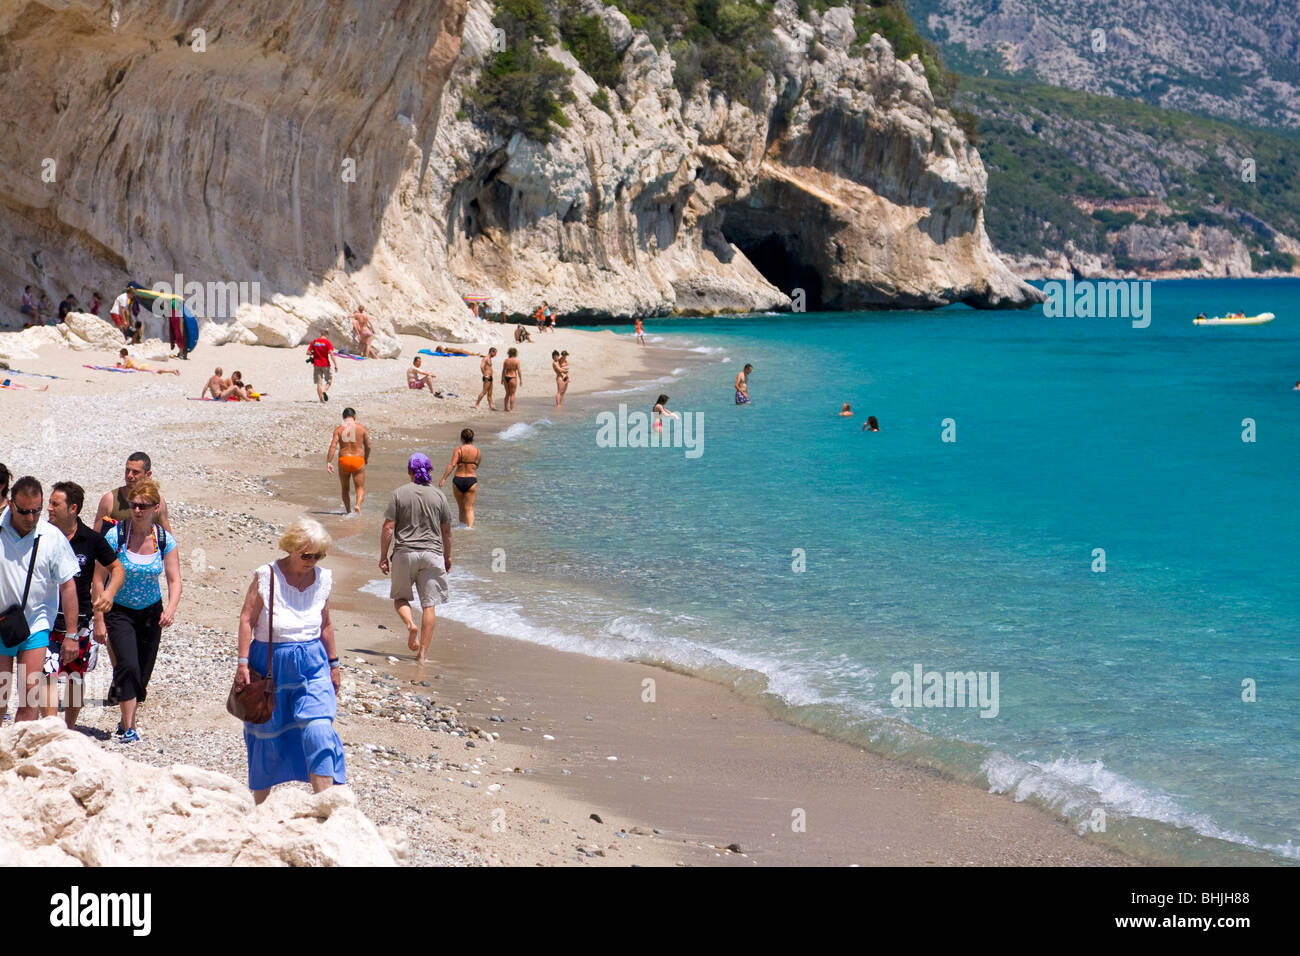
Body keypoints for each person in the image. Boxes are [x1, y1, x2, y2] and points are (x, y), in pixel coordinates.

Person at [234, 518, 345, 804]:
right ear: (291, 548)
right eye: (307, 555)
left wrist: (334, 665)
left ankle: (326, 807)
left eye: (318, 555)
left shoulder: (323, 579)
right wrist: (243, 664)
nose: (312, 561)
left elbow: (326, 625)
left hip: (312, 664)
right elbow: (247, 620)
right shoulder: (267, 576)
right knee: (267, 736)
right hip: (271, 665)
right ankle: (260, 809)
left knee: (319, 730)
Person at [100, 479, 181, 743]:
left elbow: (174, 579)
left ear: (155, 508)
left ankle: (125, 714)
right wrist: (99, 615)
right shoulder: (116, 536)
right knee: (129, 666)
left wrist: (170, 608)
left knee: (142, 675)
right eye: (134, 505)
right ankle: (129, 726)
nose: (137, 511)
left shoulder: (163, 539)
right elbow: (98, 577)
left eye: (143, 507)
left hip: (151, 613)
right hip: (119, 610)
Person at [39, 482, 124, 729]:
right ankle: (52, 731)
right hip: (46, 617)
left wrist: (109, 593)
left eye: (56, 504)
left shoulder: (91, 539)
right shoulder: (42, 534)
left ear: (73, 508)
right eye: (50, 503)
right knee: (48, 675)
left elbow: (117, 569)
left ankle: (70, 728)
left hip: (80, 621)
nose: (49, 508)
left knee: (75, 677)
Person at [0, 477, 80, 723]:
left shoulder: (52, 537)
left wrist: (71, 634)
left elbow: (68, 585)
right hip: (1, 624)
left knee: (30, 698)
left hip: (36, 625)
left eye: (37, 511)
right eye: (25, 511)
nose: (31, 518)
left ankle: (22, 756)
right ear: (12, 505)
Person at [380, 454, 453, 664]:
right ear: (429, 471)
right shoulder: (439, 496)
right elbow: (446, 532)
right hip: (432, 554)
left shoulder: (399, 494)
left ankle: (410, 623)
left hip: (405, 554)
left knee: (400, 598)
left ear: (410, 471)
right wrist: (447, 556)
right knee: (429, 605)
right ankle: (421, 655)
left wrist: (383, 557)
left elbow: (388, 528)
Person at [94, 452, 173, 534]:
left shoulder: (157, 501)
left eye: (135, 472)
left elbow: (168, 537)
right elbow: (95, 536)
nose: (129, 475)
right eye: (127, 470)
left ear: (148, 474)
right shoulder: (110, 500)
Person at [326, 407, 370, 515]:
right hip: (358, 460)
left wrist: (329, 462)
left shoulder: (338, 430)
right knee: (360, 487)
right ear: (355, 416)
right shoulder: (362, 429)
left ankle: (348, 511)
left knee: (345, 488)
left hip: (344, 460)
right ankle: (358, 505)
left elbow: (333, 446)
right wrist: (366, 458)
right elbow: (368, 446)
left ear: (343, 417)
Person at [439, 429, 482, 528]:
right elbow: (476, 465)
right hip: (471, 480)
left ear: (462, 438)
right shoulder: (478, 451)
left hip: (458, 479)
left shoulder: (459, 450)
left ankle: (462, 527)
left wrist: (444, 478)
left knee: (461, 508)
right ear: (472, 438)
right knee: (470, 508)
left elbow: (452, 464)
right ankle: (470, 530)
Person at [307, 333, 338, 403]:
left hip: (316, 365)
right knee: (329, 381)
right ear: (326, 335)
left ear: (320, 335)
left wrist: (314, 353)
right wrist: (335, 365)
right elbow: (331, 354)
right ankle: (324, 391)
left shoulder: (314, 342)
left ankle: (321, 400)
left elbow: (308, 352)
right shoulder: (327, 342)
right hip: (326, 364)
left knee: (319, 383)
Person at [502, 347, 522, 412]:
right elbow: (519, 371)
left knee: (507, 393)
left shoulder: (506, 360)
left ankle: (505, 408)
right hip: (513, 377)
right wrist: (521, 379)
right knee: (512, 394)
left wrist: (502, 378)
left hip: (506, 377)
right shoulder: (516, 361)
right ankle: (511, 409)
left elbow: (503, 370)